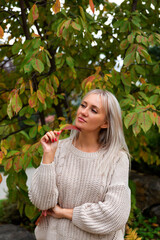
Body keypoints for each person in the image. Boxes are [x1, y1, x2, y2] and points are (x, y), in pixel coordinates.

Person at [29, 89, 131, 240]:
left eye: (93, 110)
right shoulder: (58, 149)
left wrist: (64, 213)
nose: (83, 112)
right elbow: (43, 202)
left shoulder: (117, 158)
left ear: (106, 123)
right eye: (83, 105)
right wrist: (48, 156)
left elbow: (115, 215)